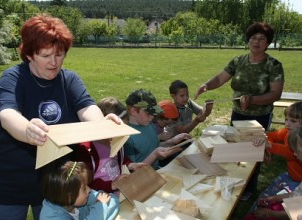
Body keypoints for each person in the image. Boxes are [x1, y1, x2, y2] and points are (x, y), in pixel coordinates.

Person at [0, 15, 120, 220]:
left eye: (59, 54)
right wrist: (27, 129)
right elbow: (7, 114)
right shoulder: (14, 78)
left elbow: (87, 107)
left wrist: (102, 125)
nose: (54, 62)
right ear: (29, 55)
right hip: (9, 181)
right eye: (46, 55)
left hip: (55, 184)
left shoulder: (69, 80)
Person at [194, 22, 284, 201]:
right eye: (253, 38)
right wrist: (206, 85)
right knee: (236, 150)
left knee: (254, 152)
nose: (256, 42)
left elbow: (276, 94)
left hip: (260, 116)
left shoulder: (273, 65)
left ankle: (249, 188)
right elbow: (220, 78)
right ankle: (236, 182)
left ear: (268, 43)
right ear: (248, 40)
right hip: (238, 114)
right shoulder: (238, 61)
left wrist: (252, 99)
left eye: (261, 39)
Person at [72, 97, 145, 196]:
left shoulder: (116, 140)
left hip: (117, 191)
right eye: (116, 131)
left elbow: (121, 159)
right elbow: (86, 182)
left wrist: (131, 165)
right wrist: (111, 185)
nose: (120, 135)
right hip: (96, 198)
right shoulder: (86, 150)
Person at [246, 101, 302, 214]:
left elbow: (290, 153)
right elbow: (272, 136)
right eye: (286, 119)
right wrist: (267, 149)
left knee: (290, 209)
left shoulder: (299, 142)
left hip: (298, 183)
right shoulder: (286, 132)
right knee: (266, 197)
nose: (287, 124)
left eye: (293, 121)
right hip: (291, 176)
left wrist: (269, 145)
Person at [123, 89, 191, 169]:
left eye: (153, 113)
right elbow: (133, 170)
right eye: (148, 113)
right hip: (141, 178)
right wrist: (155, 155)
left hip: (156, 170)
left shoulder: (149, 125)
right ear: (133, 111)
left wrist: (171, 142)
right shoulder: (127, 137)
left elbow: (154, 146)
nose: (152, 117)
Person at [40, 160, 119, 220]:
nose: (89, 190)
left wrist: (99, 212)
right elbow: (104, 204)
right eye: (84, 188)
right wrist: (100, 207)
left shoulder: (79, 197)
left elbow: (112, 200)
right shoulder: (50, 217)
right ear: (69, 197)